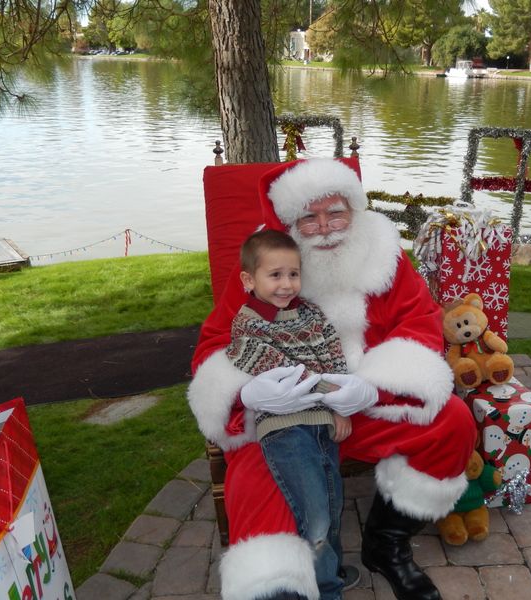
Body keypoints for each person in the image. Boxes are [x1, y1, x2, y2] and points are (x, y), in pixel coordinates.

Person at [188, 157, 477, 600]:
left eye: (336, 211)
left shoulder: (384, 254)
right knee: (256, 478)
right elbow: (214, 343)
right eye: (308, 217)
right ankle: (280, 585)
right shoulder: (266, 266)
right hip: (285, 413)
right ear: (289, 223)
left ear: (354, 209)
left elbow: (418, 321)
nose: (324, 226)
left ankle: (387, 545)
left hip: (360, 405)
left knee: (452, 423)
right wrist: (248, 391)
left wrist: (373, 386)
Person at [225, 229, 369, 599]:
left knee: (333, 503)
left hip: (322, 425)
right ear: (249, 279)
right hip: (285, 430)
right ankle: (327, 590)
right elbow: (291, 373)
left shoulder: (311, 314)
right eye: (275, 275)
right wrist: (332, 393)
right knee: (315, 515)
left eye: (293, 274)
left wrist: (342, 403)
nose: (287, 284)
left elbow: (332, 357)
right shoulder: (248, 324)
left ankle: (330, 570)